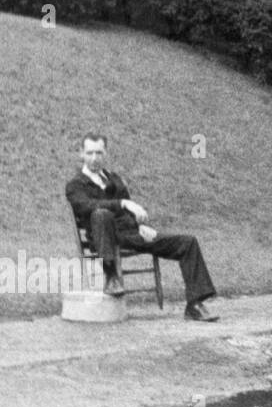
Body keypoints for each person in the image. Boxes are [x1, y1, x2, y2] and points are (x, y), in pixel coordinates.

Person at [65, 134, 219, 321]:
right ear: (81, 153)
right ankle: (111, 275)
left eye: (99, 152)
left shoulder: (114, 179)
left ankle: (195, 304)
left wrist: (141, 225)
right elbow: (86, 207)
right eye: (90, 153)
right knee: (100, 213)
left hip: (130, 233)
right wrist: (122, 203)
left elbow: (130, 210)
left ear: (105, 153)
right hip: (104, 237)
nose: (95, 158)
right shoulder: (75, 185)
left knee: (188, 243)